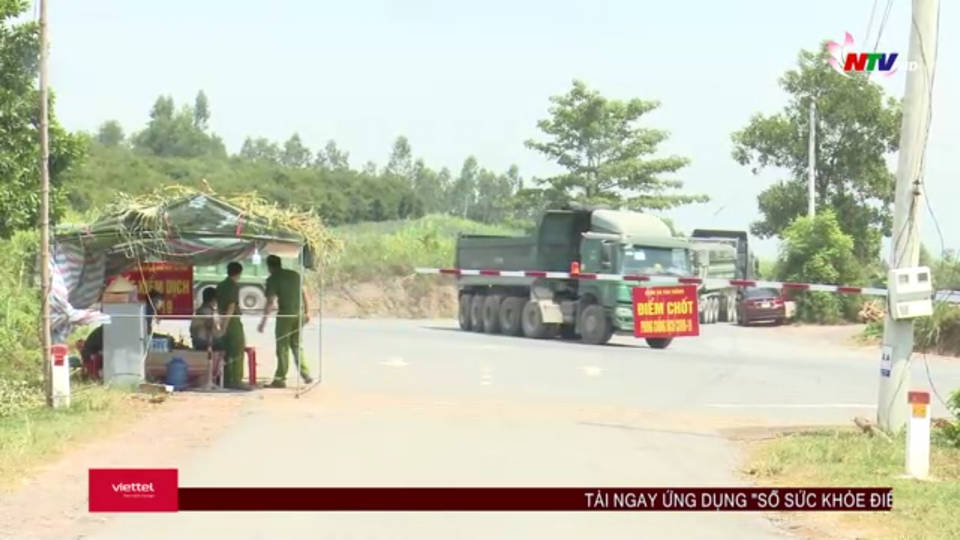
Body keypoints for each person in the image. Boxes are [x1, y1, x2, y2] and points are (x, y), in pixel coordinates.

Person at [258, 255, 313, 387]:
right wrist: (308, 311)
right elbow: (304, 293)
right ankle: (306, 374)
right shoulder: (295, 275)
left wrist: (263, 322)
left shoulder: (272, 279)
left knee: (282, 347)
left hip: (285, 316)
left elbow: (270, 302)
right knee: (296, 344)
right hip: (299, 314)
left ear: (270, 266)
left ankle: (280, 378)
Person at [216, 262, 248, 389]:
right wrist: (225, 325)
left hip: (222, 318)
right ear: (239, 273)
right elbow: (231, 306)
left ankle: (227, 379)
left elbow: (219, 307)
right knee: (237, 350)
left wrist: (221, 323)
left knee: (226, 351)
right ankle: (236, 380)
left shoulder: (220, 285)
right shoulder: (233, 286)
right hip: (232, 321)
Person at [190, 287, 222, 352]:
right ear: (213, 299)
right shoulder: (207, 311)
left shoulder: (200, 310)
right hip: (203, 342)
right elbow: (211, 329)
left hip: (197, 340)